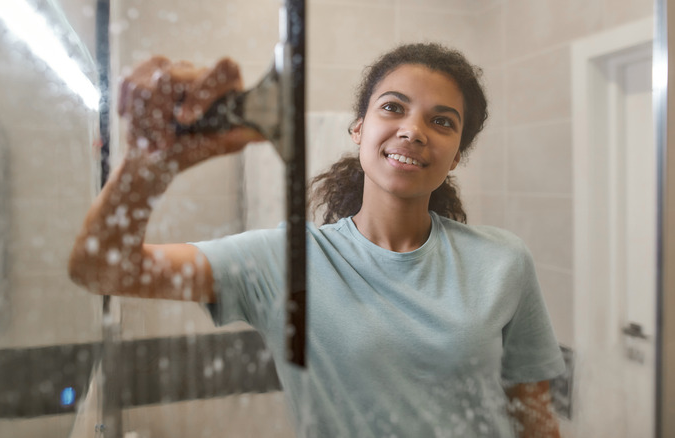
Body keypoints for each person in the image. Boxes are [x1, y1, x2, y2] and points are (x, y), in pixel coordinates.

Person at [69, 43, 565, 437]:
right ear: (359, 128)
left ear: (455, 155)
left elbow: (534, 415)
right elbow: (101, 270)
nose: (413, 131)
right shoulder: (287, 261)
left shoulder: (503, 261)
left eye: (441, 121)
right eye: (393, 108)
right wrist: (151, 164)